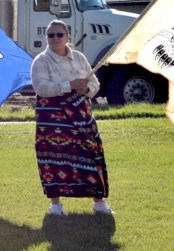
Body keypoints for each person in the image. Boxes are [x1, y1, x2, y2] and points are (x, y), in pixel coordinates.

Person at [30, 19, 114, 216]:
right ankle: (55, 205)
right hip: (53, 121)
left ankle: (98, 202)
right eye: (51, 35)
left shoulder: (79, 58)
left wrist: (87, 88)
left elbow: (94, 82)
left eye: (59, 34)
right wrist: (70, 85)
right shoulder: (40, 61)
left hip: (82, 116)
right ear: (46, 38)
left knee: (92, 155)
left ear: (68, 37)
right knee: (53, 159)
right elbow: (40, 88)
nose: (55, 38)